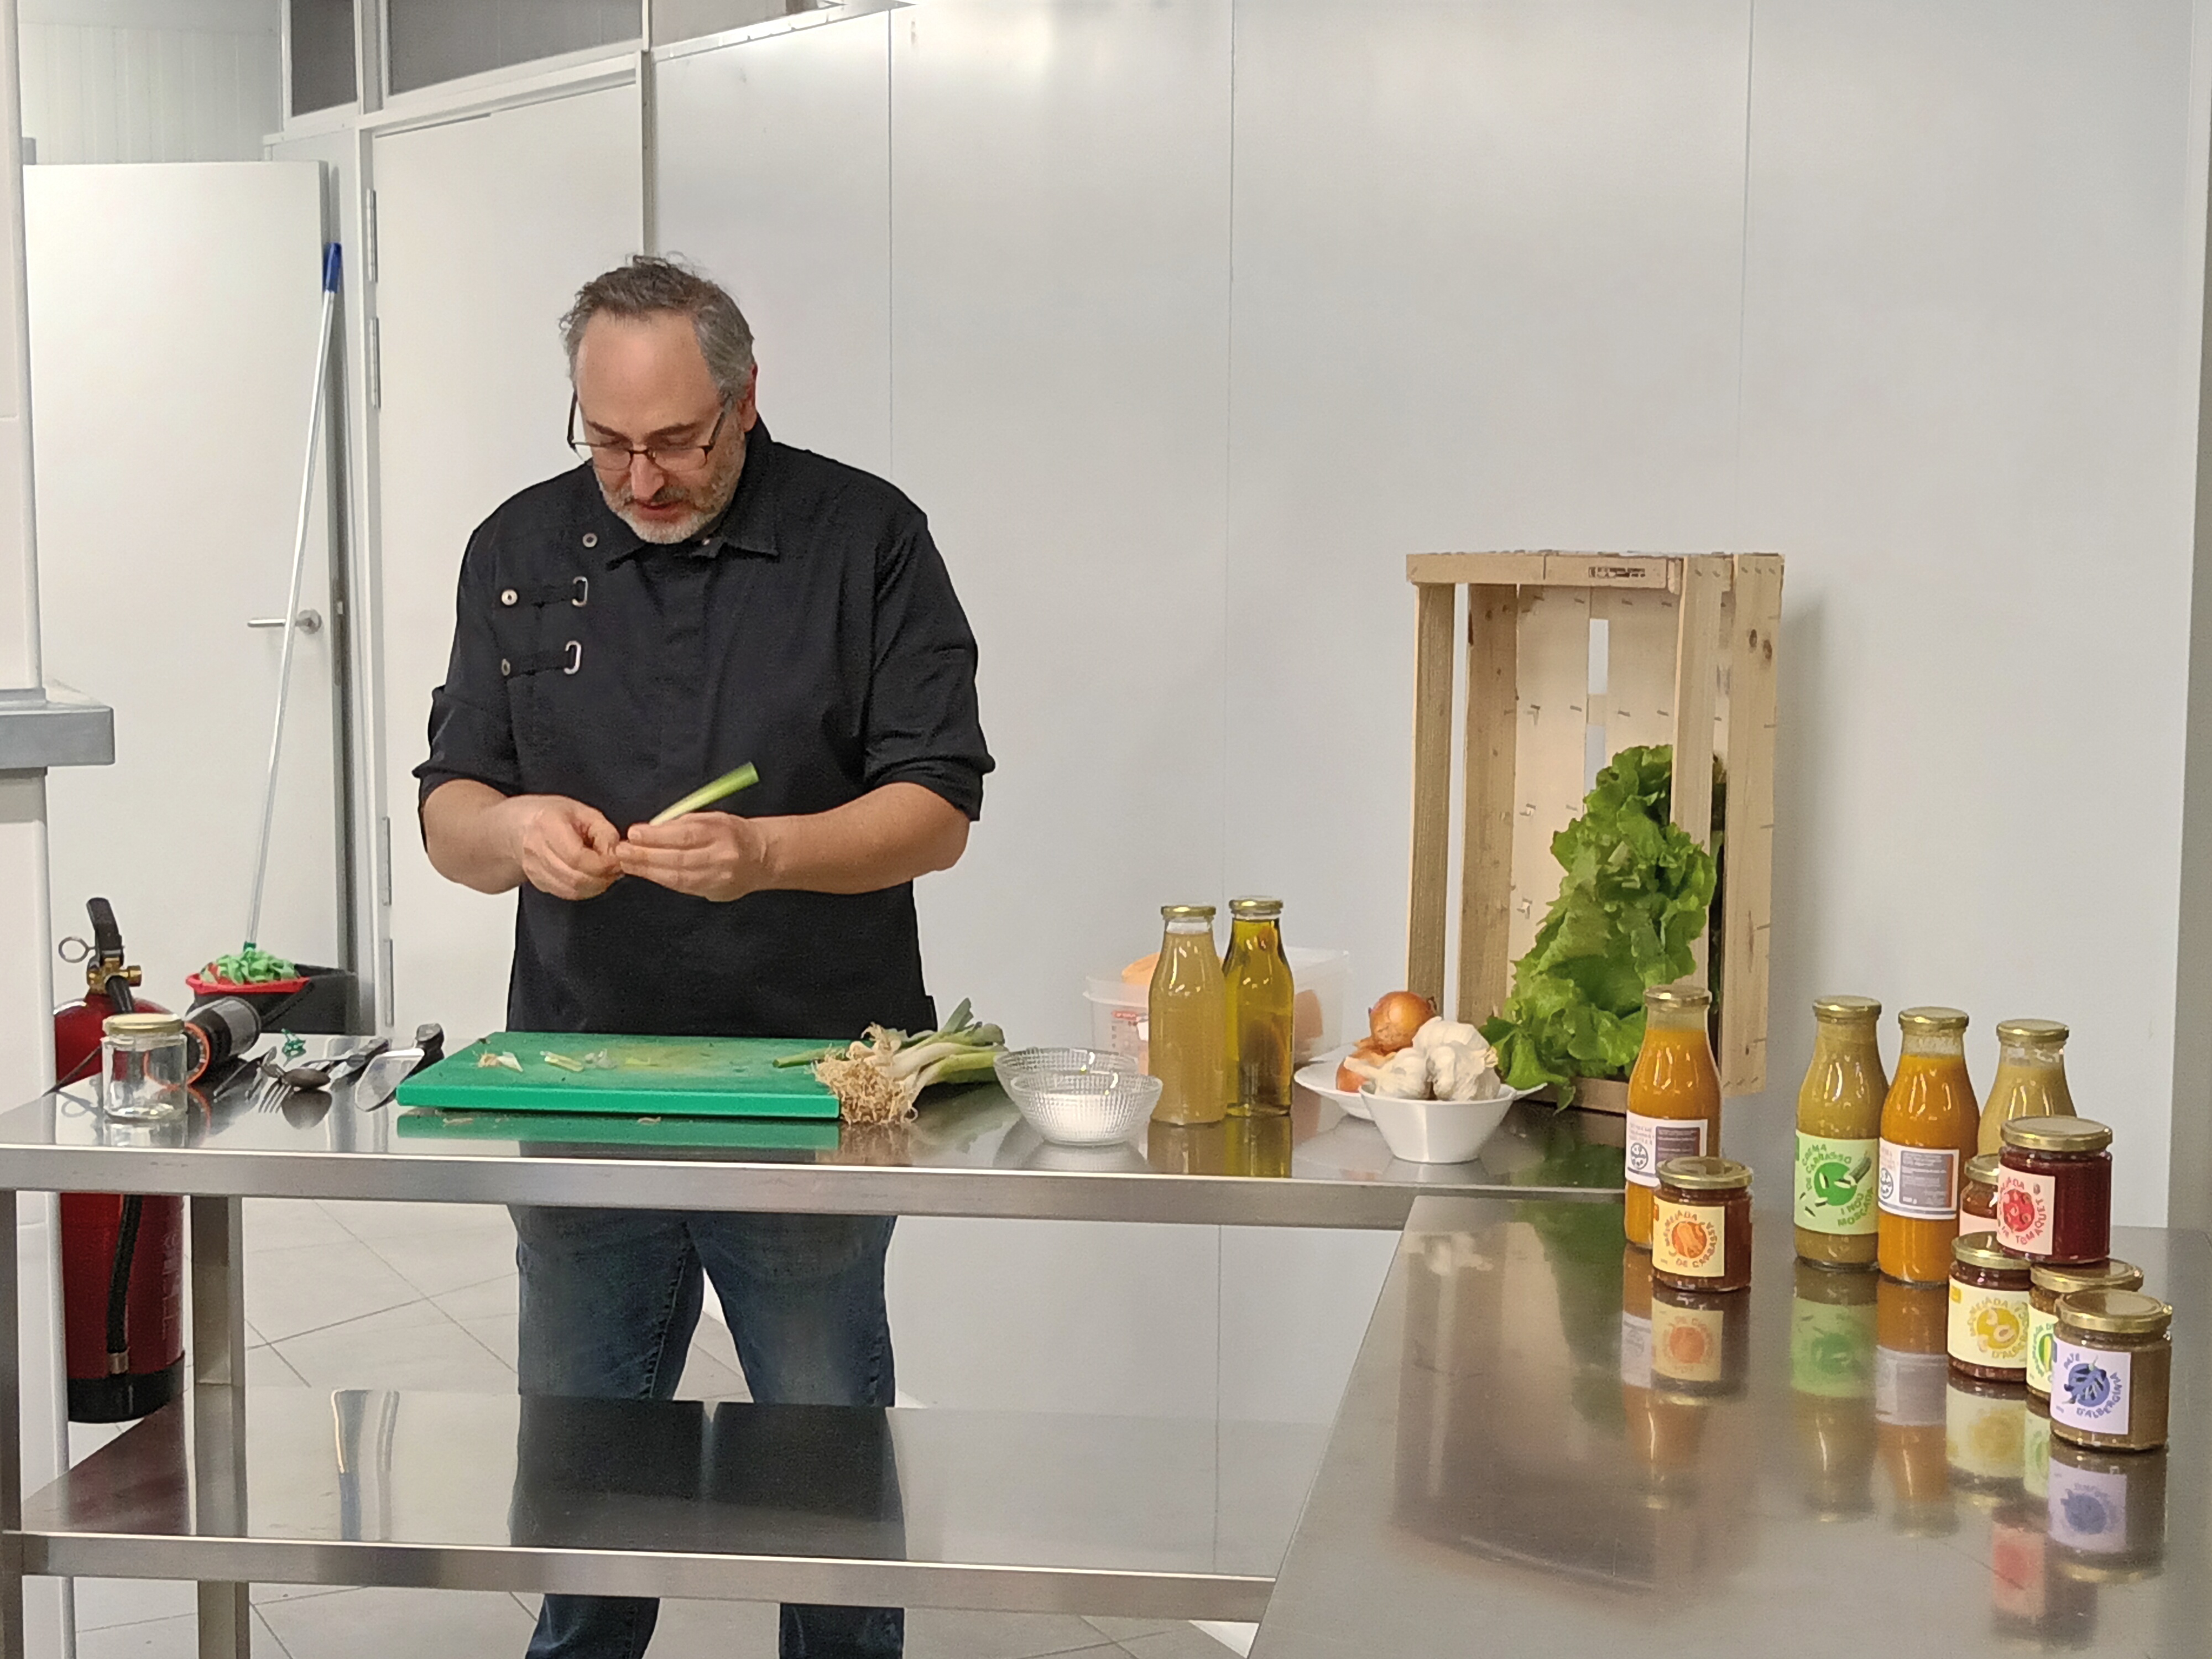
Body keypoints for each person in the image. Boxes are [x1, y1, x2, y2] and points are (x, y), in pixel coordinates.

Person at [415, 254, 992, 1659]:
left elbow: (937, 810)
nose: (640, 477)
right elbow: (449, 816)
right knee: (583, 1467)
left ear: (744, 400)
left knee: (821, 1465)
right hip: (578, 1070)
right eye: (606, 440)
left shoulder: (866, 538)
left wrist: (767, 853)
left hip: (809, 1077)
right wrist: (514, 832)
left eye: (675, 441)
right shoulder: (516, 549)